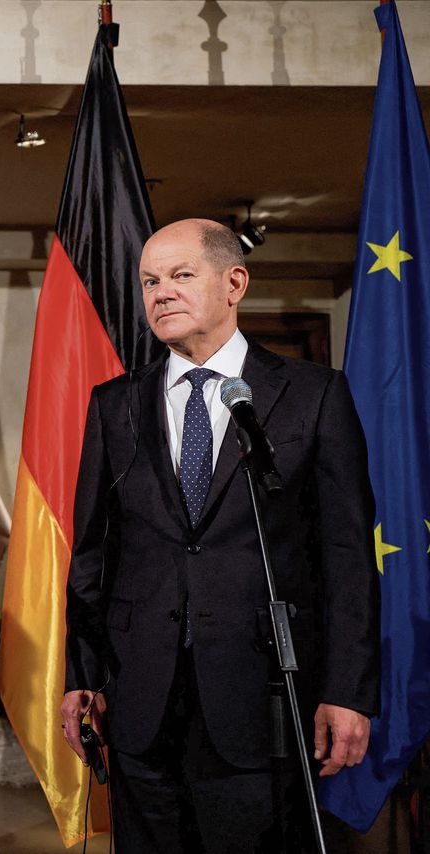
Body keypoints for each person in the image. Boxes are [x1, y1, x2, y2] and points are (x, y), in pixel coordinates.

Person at [61, 218, 380, 851]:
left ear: (235, 282)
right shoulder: (115, 404)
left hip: (261, 693)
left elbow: (346, 555)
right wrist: (82, 675)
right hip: (140, 696)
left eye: (181, 275)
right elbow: (95, 553)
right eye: (150, 280)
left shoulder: (312, 394)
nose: (161, 293)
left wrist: (348, 691)